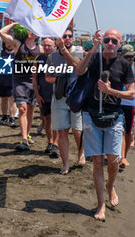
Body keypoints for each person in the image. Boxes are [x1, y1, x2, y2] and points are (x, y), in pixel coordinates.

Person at [76, 29, 135, 221]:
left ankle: (111, 186)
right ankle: (101, 204)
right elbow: (79, 70)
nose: (109, 43)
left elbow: (132, 94)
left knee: (113, 160)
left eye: (113, 40)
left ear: (119, 43)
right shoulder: (95, 58)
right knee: (98, 161)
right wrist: (93, 47)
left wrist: (111, 91)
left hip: (114, 116)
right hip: (91, 114)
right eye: (107, 40)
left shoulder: (125, 64)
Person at [46, 26, 85, 174]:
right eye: (64, 36)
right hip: (60, 98)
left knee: (77, 130)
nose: (67, 38)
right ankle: (65, 164)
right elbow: (47, 77)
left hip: (76, 98)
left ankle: (81, 153)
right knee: (62, 132)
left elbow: (77, 65)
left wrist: (64, 50)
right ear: (59, 38)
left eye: (69, 36)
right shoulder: (52, 57)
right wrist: (59, 79)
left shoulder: (79, 51)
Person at [0, 22, 43, 150]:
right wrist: (13, 24)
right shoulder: (18, 44)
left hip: (33, 82)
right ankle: (24, 140)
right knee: (22, 108)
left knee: (30, 109)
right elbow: (1, 32)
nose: (30, 30)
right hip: (19, 81)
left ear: (36, 35)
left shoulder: (39, 48)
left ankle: (27, 135)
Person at [32, 38, 59, 156]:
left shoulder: (59, 58)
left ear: (54, 46)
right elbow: (34, 78)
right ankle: (50, 142)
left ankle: (56, 144)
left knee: (56, 120)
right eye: (45, 45)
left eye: (49, 45)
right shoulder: (38, 59)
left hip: (57, 94)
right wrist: (37, 94)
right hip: (43, 95)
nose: (47, 47)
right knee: (47, 119)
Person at [0, 42, 17, 126]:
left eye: (10, 43)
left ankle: (12, 118)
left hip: (13, 80)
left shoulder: (17, 54)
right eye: (7, 43)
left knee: (12, 99)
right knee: (4, 99)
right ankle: (5, 116)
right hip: (1, 80)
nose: (9, 45)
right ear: (4, 44)